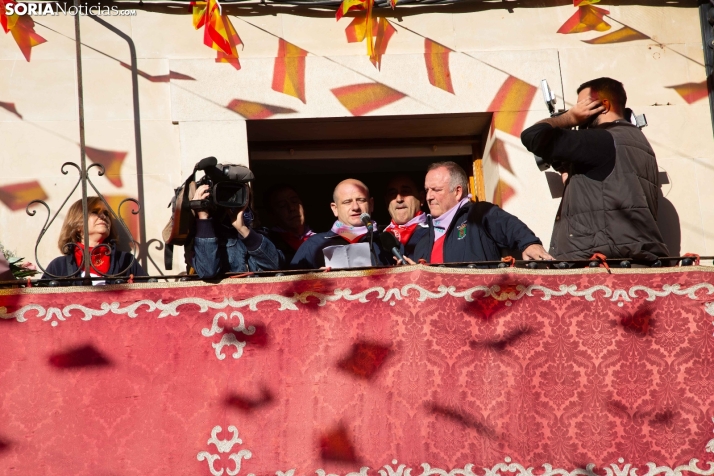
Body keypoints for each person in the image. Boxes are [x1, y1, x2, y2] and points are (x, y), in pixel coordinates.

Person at [520, 77, 669, 261]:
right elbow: (606, 190)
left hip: (601, 264)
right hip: (629, 258)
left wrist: (568, 117)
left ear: (604, 105)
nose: (578, 113)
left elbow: (533, 136)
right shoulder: (636, 141)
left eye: (583, 106)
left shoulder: (603, 139)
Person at [410, 162, 552, 264]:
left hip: (478, 303)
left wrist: (529, 244)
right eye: (427, 190)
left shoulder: (478, 214)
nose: (429, 197)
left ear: (457, 192)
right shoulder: (423, 239)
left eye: (436, 190)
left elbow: (508, 225)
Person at [290, 179, 391, 269]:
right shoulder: (314, 245)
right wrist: (315, 280)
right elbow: (289, 283)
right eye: (347, 202)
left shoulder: (387, 240)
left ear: (371, 204)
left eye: (361, 200)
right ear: (335, 209)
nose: (355, 207)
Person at [42, 197, 146, 284]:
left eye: (106, 213)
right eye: (95, 212)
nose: (103, 216)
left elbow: (151, 295)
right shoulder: (59, 266)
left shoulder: (126, 261)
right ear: (77, 223)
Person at [192, 179, 281, 279]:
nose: (232, 199)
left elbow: (274, 265)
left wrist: (243, 230)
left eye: (239, 193)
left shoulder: (260, 233)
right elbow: (207, 271)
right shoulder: (204, 235)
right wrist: (203, 217)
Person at [263, 184, 315, 264]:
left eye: (294, 201)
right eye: (282, 206)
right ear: (272, 215)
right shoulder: (268, 243)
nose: (292, 208)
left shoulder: (321, 239)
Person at [383, 175, 428, 258]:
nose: (399, 199)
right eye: (392, 193)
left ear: (421, 198)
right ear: (387, 203)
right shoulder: (379, 238)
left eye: (405, 192)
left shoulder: (436, 231)